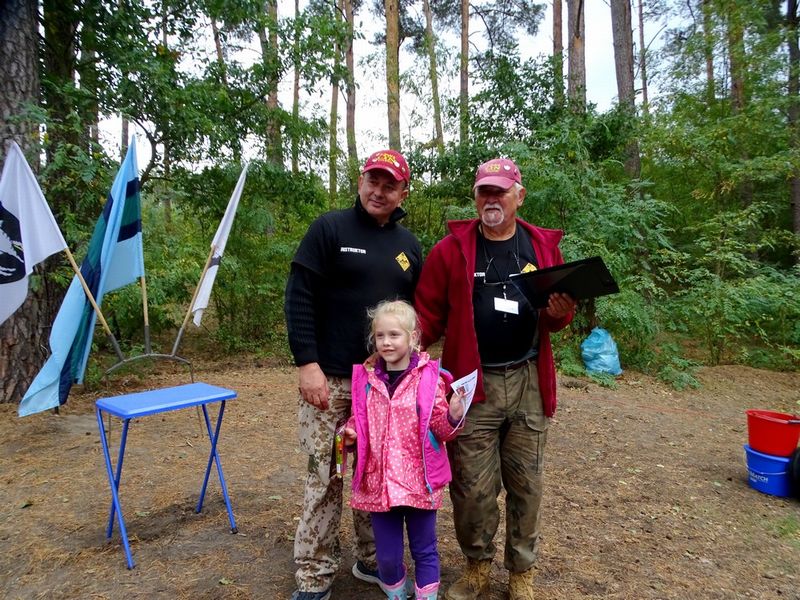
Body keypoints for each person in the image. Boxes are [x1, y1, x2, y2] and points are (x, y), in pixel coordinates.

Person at [414, 158, 576, 600]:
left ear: (518, 196)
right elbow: (427, 314)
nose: (491, 199)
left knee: (527, 483)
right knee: (472, 487)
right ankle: (476, 566)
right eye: (484, 191)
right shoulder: (451, 250)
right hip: (473, 385)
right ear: (475, 196)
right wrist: (400, 350)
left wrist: (561, 314)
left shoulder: (541, 248)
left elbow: (556, 317)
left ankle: (521, 572)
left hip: (527, 379)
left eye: (500, 191)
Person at [284, 150, 423, 600]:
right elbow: (299, 296)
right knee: (324, 477)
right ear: (361, 181)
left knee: (375, 474)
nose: (378, 191)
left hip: (382, 386)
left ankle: (373, 560)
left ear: (403, 193)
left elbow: (414, 317)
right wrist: (307, 363)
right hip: (328, 381)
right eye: (372, 181)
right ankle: (315, 574)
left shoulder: (408, 246)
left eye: (389, 185)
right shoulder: (329, 229)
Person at [343, 300, 464, 600]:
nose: (386, 342)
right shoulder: (367, 379)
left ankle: (426, 595)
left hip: (419, 482)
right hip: (379, 484)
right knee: (386, 557)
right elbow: (360, 419)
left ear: (413, 337)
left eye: (394, 335)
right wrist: (350, 433)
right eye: (380, 335)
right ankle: (398, 591)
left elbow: (441, 429)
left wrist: (453, 416)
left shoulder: (429, 379)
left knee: (425, 549)